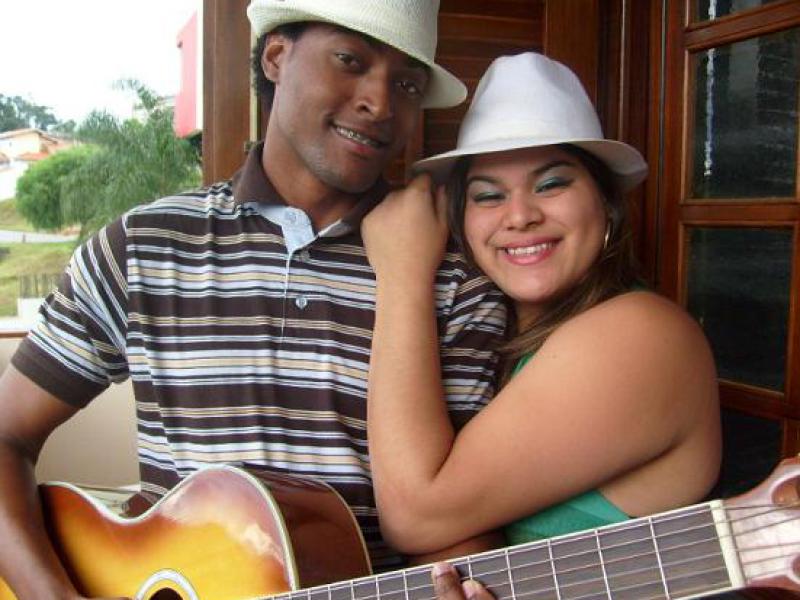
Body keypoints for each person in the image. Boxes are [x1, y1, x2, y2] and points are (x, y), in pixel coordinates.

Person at [0, 1, 508, 597]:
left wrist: (459, 579)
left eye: (407, 84)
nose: (380, 102)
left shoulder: (457, 286)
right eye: (350, 60)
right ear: (276, 57)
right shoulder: (141, 248)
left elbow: (453, 524)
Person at [362, 52, 721, 572]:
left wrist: (401, 273)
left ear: (606, 203)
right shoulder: (502, 336)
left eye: (551, 185)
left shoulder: (641, 334)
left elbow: (416, 514)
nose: (521, 216)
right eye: (489, 196)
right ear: (461, 223)